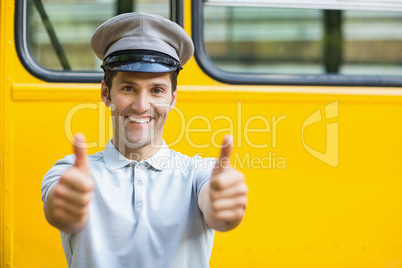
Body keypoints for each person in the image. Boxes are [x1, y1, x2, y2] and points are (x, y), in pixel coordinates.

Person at [41, 12, 248, 268]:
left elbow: (218, 212)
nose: (141, 105)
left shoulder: (199, 173)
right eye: (128, 88)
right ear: (107, 94)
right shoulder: (69, 171)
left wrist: (223, 210)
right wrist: (66, 209)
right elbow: (61, 211)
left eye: (156, 90)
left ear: (172, 99)